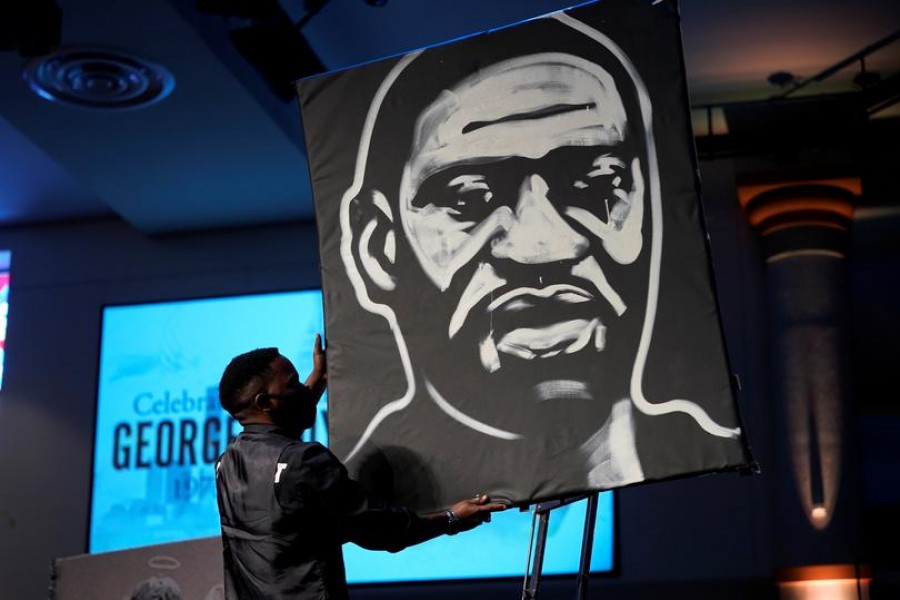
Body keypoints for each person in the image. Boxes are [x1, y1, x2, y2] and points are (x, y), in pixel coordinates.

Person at [324, 8, 748, 510]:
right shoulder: (365, 496)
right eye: (468, 199)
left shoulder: (697, 444)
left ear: (649, 211)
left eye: (594, 185)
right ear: (377, 248)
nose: (542, 247)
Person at [214, 334, 505, 599]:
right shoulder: (304, 462)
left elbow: (278, 436)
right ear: (265, 403)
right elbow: (379, 528)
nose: (302, 389)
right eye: (293, 384)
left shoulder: (226, 464)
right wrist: (452, 518)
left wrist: (320, 378)